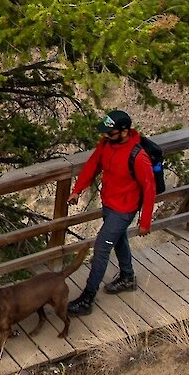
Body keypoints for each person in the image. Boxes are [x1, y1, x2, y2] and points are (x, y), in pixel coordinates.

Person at [65, 109, 156, 316]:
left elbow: (149, 189)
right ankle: (127, 277)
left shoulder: (138, 157)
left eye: (111, 132)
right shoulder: (107, 143)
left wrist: (145, 222)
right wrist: (77, 190)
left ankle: (87, 298)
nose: (106, 136)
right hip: (109, 202)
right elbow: (93, 165)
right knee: (119, 239)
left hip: (124, 208)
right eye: (105, 132)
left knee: (102, 248)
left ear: (125, 132)